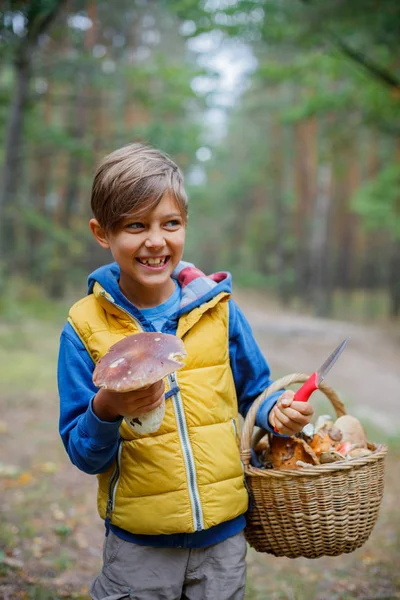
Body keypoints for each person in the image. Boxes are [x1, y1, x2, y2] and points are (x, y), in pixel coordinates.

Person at [57, 143, 314, 600]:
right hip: (139, 549)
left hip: (224, 539)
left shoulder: (218, 310)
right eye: (136, 225)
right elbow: (83, 454)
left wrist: (278, 411)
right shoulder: (84, 327)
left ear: (185, 226)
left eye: (169, 224)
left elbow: (256, 391)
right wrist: (106, 408)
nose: (156, 240)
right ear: (102, 232)